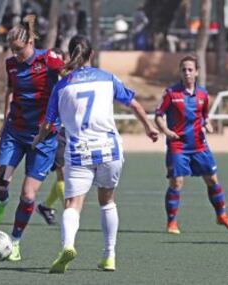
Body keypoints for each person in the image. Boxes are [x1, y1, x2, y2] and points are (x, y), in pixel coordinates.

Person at [32, 35, 159, 273]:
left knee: (73, 203)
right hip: (109, 149)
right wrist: (149, 127)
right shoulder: (107, 78)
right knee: (107, 201)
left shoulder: (62, 86)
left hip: (79, 151)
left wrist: (36, 141)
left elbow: (48, 125)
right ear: (92, 55)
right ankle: (109, 256)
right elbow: (133, 104)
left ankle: (67, 246)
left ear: (70, 56)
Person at [0, 15, 64, 262]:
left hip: (44, 138)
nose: (16, 54)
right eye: (12, 50)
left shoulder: (48, 59)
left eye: (19, 49)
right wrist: (3, 121)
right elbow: (10, 92)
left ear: (30, 42)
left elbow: (68, 74)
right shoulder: (11, 64)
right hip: (15, 132)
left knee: (29, 195)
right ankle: (2, 199)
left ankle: (16, 241)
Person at [154, 55, 228, 235]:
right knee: (176, 182)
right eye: (184, 69)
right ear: (180, 72)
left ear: (197, 72)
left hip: (199, 145)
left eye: (190, 69)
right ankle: (171, 222)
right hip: (178, 145)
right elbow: (158, 115)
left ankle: (221, 215)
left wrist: (207, 123)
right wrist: (167, 132)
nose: (187, 73)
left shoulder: (203, 94)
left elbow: (204, 115)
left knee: (212, 179)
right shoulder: (171, 93)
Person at [36, 48, 67, 226]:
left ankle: (46, 206)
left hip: (68, 130)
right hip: (53, 130)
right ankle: (71, 212)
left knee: (65, 174)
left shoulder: (64, 80)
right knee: (63, 173)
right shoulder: (46, 82)